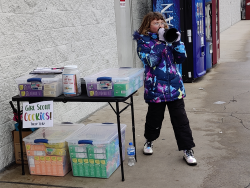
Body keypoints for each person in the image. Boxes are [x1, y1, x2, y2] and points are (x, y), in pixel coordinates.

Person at [133, 12, 197, 166]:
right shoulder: (143, 41)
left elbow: (181, 58)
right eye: (156, 23)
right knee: (154, 118)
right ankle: (149, 141)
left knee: (181, 120)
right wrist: (161, 43)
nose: (160, 25)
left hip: (175, 88)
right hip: (156, 88)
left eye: (162, 22)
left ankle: (187, 150)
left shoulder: (170, 37)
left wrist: (176, 42)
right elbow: (150, 61)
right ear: (148, 26)